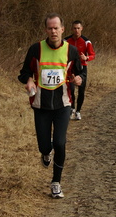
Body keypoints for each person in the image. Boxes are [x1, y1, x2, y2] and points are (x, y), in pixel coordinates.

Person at [18, 13, 85, 199]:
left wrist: (79, 79)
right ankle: (46, 154)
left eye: (56, 28)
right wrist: (29, 80)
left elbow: (80, 72)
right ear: (46, 30)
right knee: (45, 146)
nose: (53, 31)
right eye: (50, 28)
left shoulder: (71, 51)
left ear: (63, 29)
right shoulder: (36, 49)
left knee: (60, 143)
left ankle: (56, 182)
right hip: (41, 105)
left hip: (63, 104)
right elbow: (24, 72)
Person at [64, 20, 95, 121]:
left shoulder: (86, 41)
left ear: (81, 28)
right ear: (71, 29)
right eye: (74, 28)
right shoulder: (66, 40)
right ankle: (72, 108)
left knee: (81, 91)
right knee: (71, 89)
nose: (76, 30)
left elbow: (92, 55)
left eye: (78, 28)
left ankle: (78, 111)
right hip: (70, 68)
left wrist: (86, 58)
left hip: (82, 67)